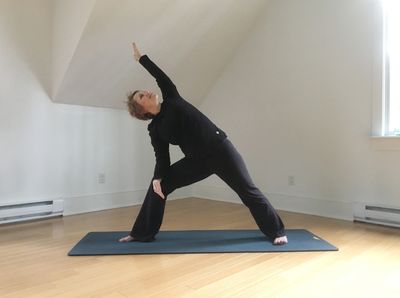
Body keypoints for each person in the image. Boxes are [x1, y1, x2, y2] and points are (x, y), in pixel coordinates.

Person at [119, 43, 288, 245]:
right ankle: (141, 233)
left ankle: (276, 231)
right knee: (158, 187)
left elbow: (160, 76)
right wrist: (158, 177)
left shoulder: (172, 98)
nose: (147, 92)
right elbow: (162, 157)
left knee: (247, 190)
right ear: (141, 110)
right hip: (196, 160)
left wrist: (142, 59)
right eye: (141, 96)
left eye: (143, 91)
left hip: (220, 149)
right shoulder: (155, 129)